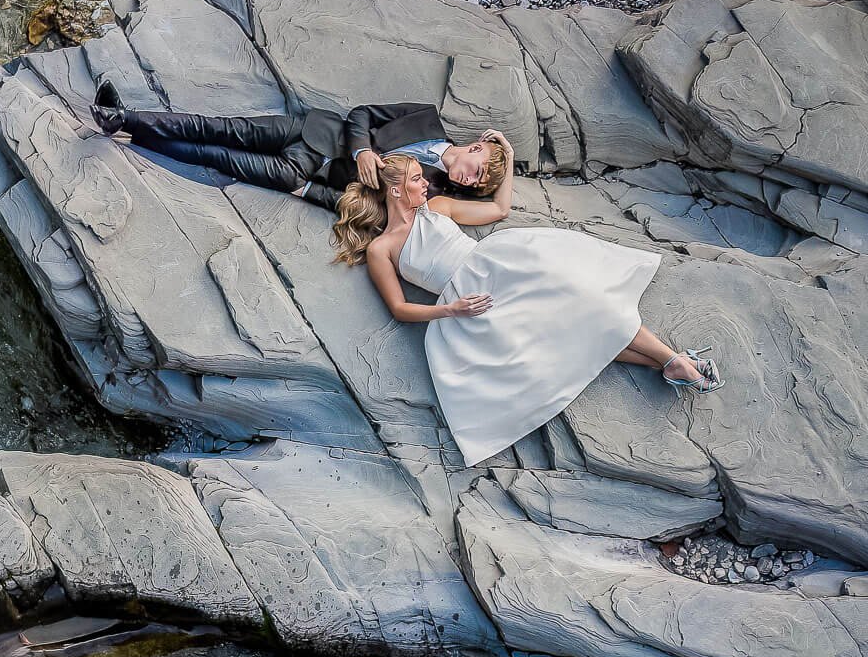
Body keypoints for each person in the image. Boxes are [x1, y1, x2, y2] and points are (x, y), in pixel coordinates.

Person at [332, 146, 721, 467]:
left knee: (587, 303)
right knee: (565, 337)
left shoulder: (439, 207)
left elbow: (498, 211)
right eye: (417, 179)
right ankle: (673, 364)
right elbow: (400, 309)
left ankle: (671, 361)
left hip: (500, 264)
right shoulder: (382, 248)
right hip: (467, 299)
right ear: (396, 191)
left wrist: (511, 154)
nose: (425, 183)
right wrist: (450, 310)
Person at [89, 85, 508, 211]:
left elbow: (375, 211)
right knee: (219, 129)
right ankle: (123, 118)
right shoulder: (426, 117)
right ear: (475, 147)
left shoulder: (433, 191)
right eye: (476, 169)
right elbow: (362, 111)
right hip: (312, 130)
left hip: (304, 175)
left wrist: (311, 193)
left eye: (474, 183)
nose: (468, 180)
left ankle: (134, 133)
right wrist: (362, 151)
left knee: (215, 157)